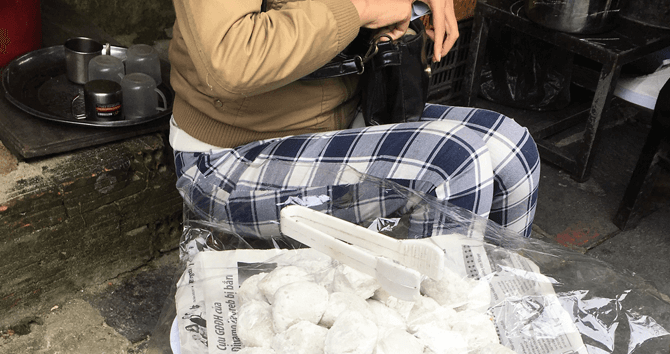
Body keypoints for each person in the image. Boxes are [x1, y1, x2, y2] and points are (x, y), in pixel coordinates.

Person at [168, 0, 541, 241]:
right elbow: (230, 61)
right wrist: (362, 7)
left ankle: (496, 317)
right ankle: (436, 346)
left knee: (511, 151)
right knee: (454, 163)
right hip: (229, 156)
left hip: (339, 122)